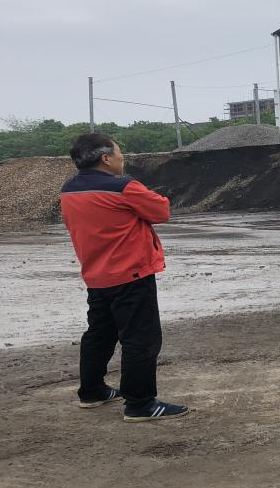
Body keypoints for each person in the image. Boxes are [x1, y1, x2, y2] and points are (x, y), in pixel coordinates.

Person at [60, 133, 190, 422]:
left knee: (99, 334)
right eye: (120, 154)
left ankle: (91, 391)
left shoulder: (69, 190)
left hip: (96, 275)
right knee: (141, 339)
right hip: (131, 274)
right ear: (105, 158)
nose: (123, 159)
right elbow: (161, 210)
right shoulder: (123, 187)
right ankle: (140, 404)